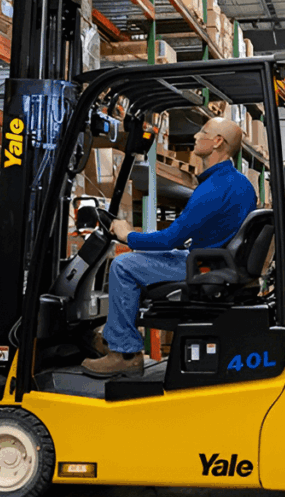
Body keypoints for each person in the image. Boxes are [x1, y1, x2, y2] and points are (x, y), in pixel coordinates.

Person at [81, 117, 257, 378]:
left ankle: (124, 354)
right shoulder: (240, 184)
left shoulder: (214, 189)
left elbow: (170, 239)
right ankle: (115, 335)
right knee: (142, 260)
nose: (196, 136)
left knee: (124, 266)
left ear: (217, 142)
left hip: (203, 265)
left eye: (203, 131)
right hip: (213, 260)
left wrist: (128, 235)